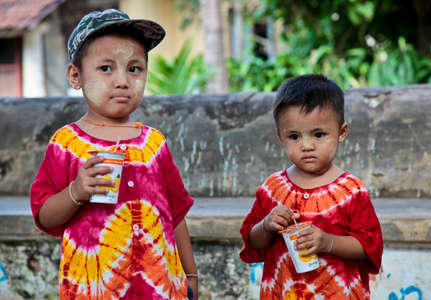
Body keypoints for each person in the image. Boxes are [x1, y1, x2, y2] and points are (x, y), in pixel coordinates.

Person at [30, 9, 198, 300]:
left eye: (134, 69)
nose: (122, 81)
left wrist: (191, 275)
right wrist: (76, 192)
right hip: (94, 288)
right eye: (106, 68)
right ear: (75, 76)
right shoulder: (66, 143)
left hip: (160, 287)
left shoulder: (154, 144)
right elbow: (45, 216)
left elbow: (176, 215)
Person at [239, 74, 383, 299]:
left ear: (341, 132)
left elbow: (369, 246)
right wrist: (266, 226)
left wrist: (328, 242)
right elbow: (252, 240)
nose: (306, 145)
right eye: (294, 136)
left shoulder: (351, 191)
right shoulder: (272, 188)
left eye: (318, 134)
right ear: (280, 137)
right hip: (284, 291)